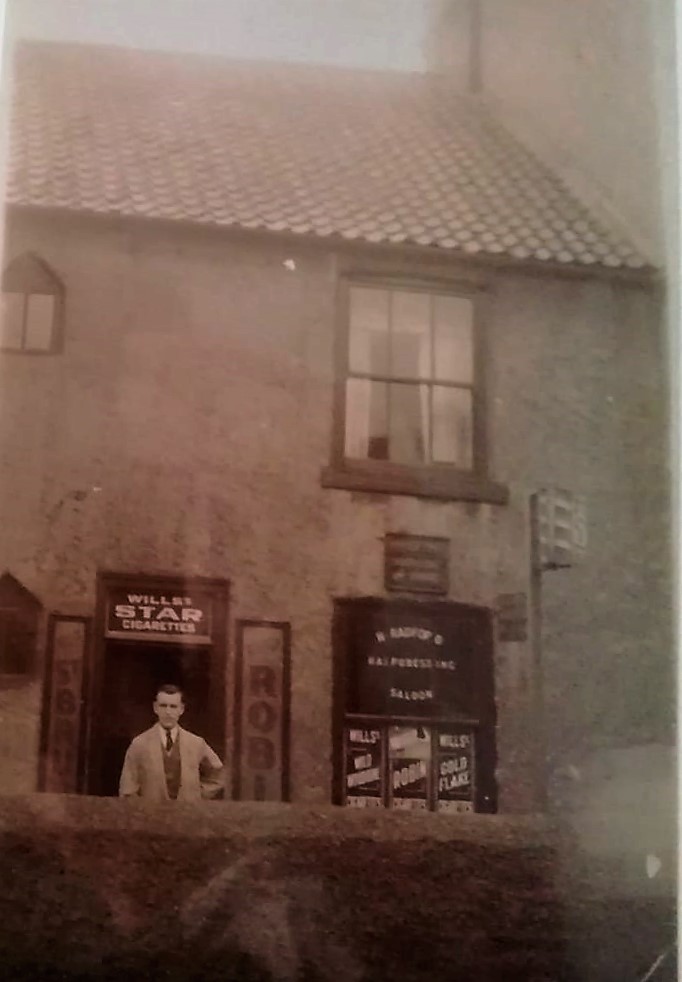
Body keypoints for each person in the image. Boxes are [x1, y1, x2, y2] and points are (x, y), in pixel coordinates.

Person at [119, 683, 224, 801]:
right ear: (155, 708)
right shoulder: (139, 744)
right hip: (151, 814)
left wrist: (197, 795)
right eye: (163, 706)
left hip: (186, 814)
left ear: (181, 709)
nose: (168, 712)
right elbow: (127, 787)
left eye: (173, 706)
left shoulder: (196, 743)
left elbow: (218, 774)